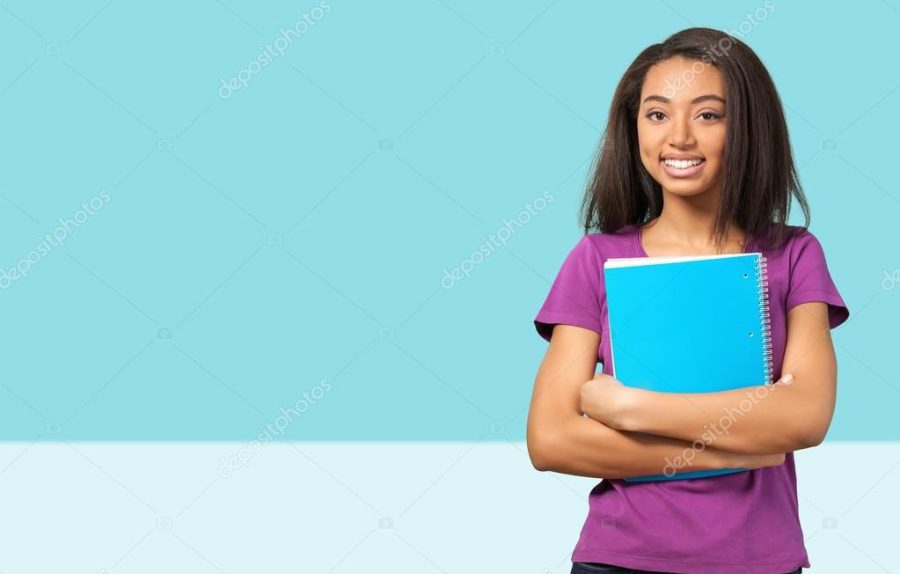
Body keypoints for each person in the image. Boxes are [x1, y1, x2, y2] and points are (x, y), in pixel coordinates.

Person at [527, 27, 849, 574]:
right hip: (619, 559)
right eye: (656, 114)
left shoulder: (794, 254)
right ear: (633, 131)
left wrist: (628, 408)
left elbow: (805, 417)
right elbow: (551, 439)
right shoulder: (596, 258)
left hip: (760, 561)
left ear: (748, 128)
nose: (678, 137)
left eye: (708, 114)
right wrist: (742, 449)